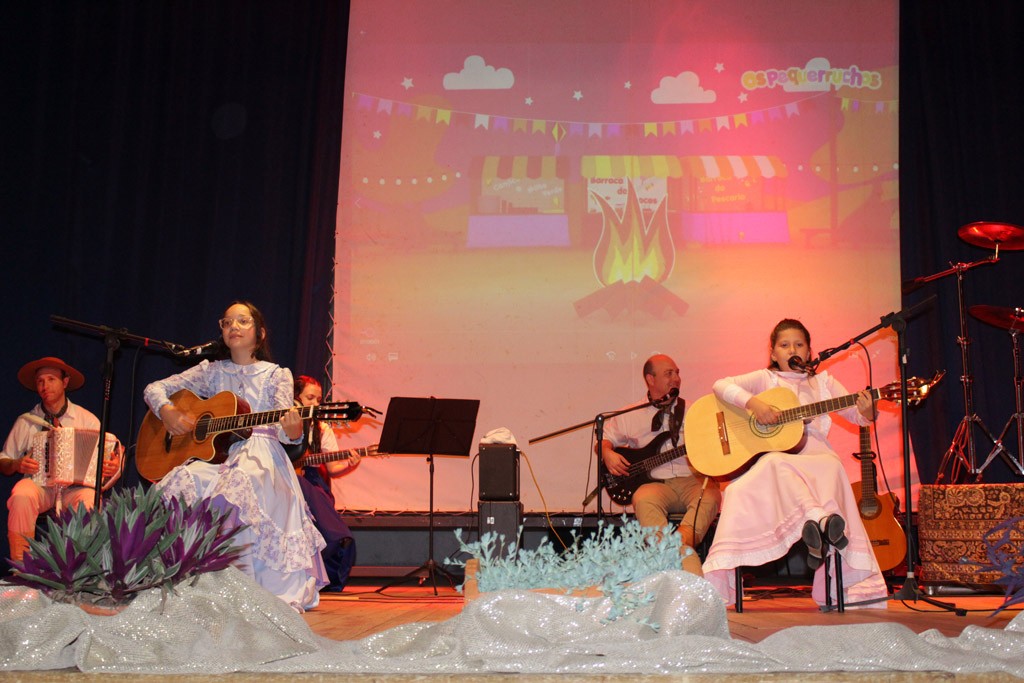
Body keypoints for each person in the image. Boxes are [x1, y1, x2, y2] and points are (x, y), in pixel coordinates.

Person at [144, 300, 327, 612]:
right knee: (181, 479)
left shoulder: (276, 375)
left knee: (240, 482)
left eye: (242, 321)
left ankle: (242, 589)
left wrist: (294, 430)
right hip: (218, 457)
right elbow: (154, 388)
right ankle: (189, 582)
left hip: (262, 455)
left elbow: (285, 433)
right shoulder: (212, 372)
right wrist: (167, 411)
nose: (233, 327)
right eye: (227, 322)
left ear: (260, 333)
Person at [701, 318, 889, 608]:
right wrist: (755, 404)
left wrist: (868, 411)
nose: (792, 350)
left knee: (806, 465)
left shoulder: (824, 383)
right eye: (785, 345)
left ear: (809, 351)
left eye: (799, 344)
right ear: (773, 352)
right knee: (772, 465)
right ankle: (822, 521)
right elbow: (720, 385)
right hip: (780, 460)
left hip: (819, 460)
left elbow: (857, 417)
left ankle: (819, 523)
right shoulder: (766, 379)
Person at [599, 354, 722, 576]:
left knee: (711, 495)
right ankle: (675, 555)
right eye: (668, 374)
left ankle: (675, 545)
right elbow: (605, 438)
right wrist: (607, 453)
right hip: (656, 485)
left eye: (677, 373)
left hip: (692, 480)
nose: (676, 378)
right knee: (642, 498)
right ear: (650, 379)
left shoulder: (695, 411)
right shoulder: (631, 414)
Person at [2, 356, 122, 563]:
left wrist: (112, 467)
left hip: (76, 487)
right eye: (40, 381)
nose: (44, 386)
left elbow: (109, 455)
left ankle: (80, 565)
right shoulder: (26, 421)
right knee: (21, 495)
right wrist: (16, 464)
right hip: (40, 485)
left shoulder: (86, 419)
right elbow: (4, 458)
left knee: (89, 501)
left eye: (51, 379)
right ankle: (22, 566)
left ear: (65, 382)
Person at [291, 375, 362, 593]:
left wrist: (349, 465)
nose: (315, 403)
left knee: (333, 532)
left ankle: (322, 577)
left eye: (318, 399)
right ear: (295, 398)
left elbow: (333, 468)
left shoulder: (322, 428)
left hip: (310, 482)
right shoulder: (282, 424)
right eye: (309, 398)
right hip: (286, 481)